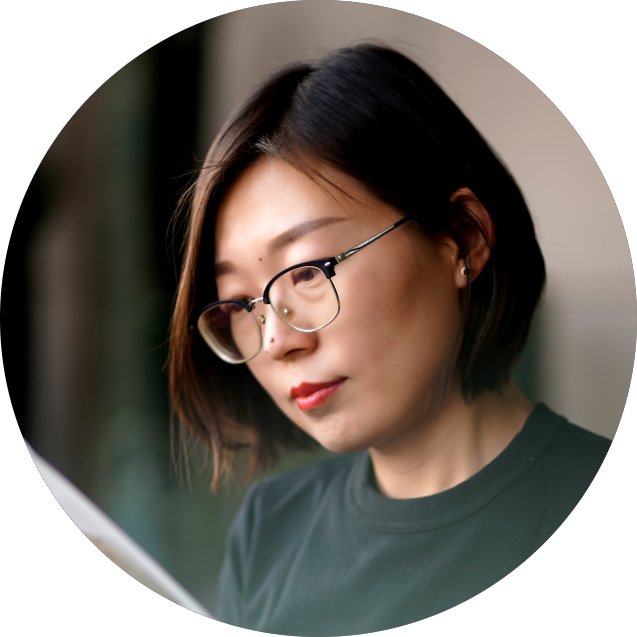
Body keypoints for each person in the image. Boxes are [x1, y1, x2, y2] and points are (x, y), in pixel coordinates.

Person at [168, 43, 610, 634]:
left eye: (307, 272)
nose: (275, 342)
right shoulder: (270, 532)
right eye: (241, 305)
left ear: (463, 238)